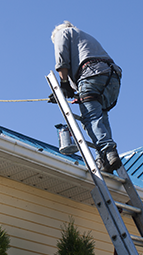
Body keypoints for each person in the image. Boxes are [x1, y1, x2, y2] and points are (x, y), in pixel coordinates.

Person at [51, 21, 123, 173]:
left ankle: (108, 151)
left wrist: (63, 84)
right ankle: (104, 160)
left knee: (90, 118)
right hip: (112, 78)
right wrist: (70, 90)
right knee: (100, 117)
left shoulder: (62, 33)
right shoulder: (84, 38)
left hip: (91, 74)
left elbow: (62, 58)